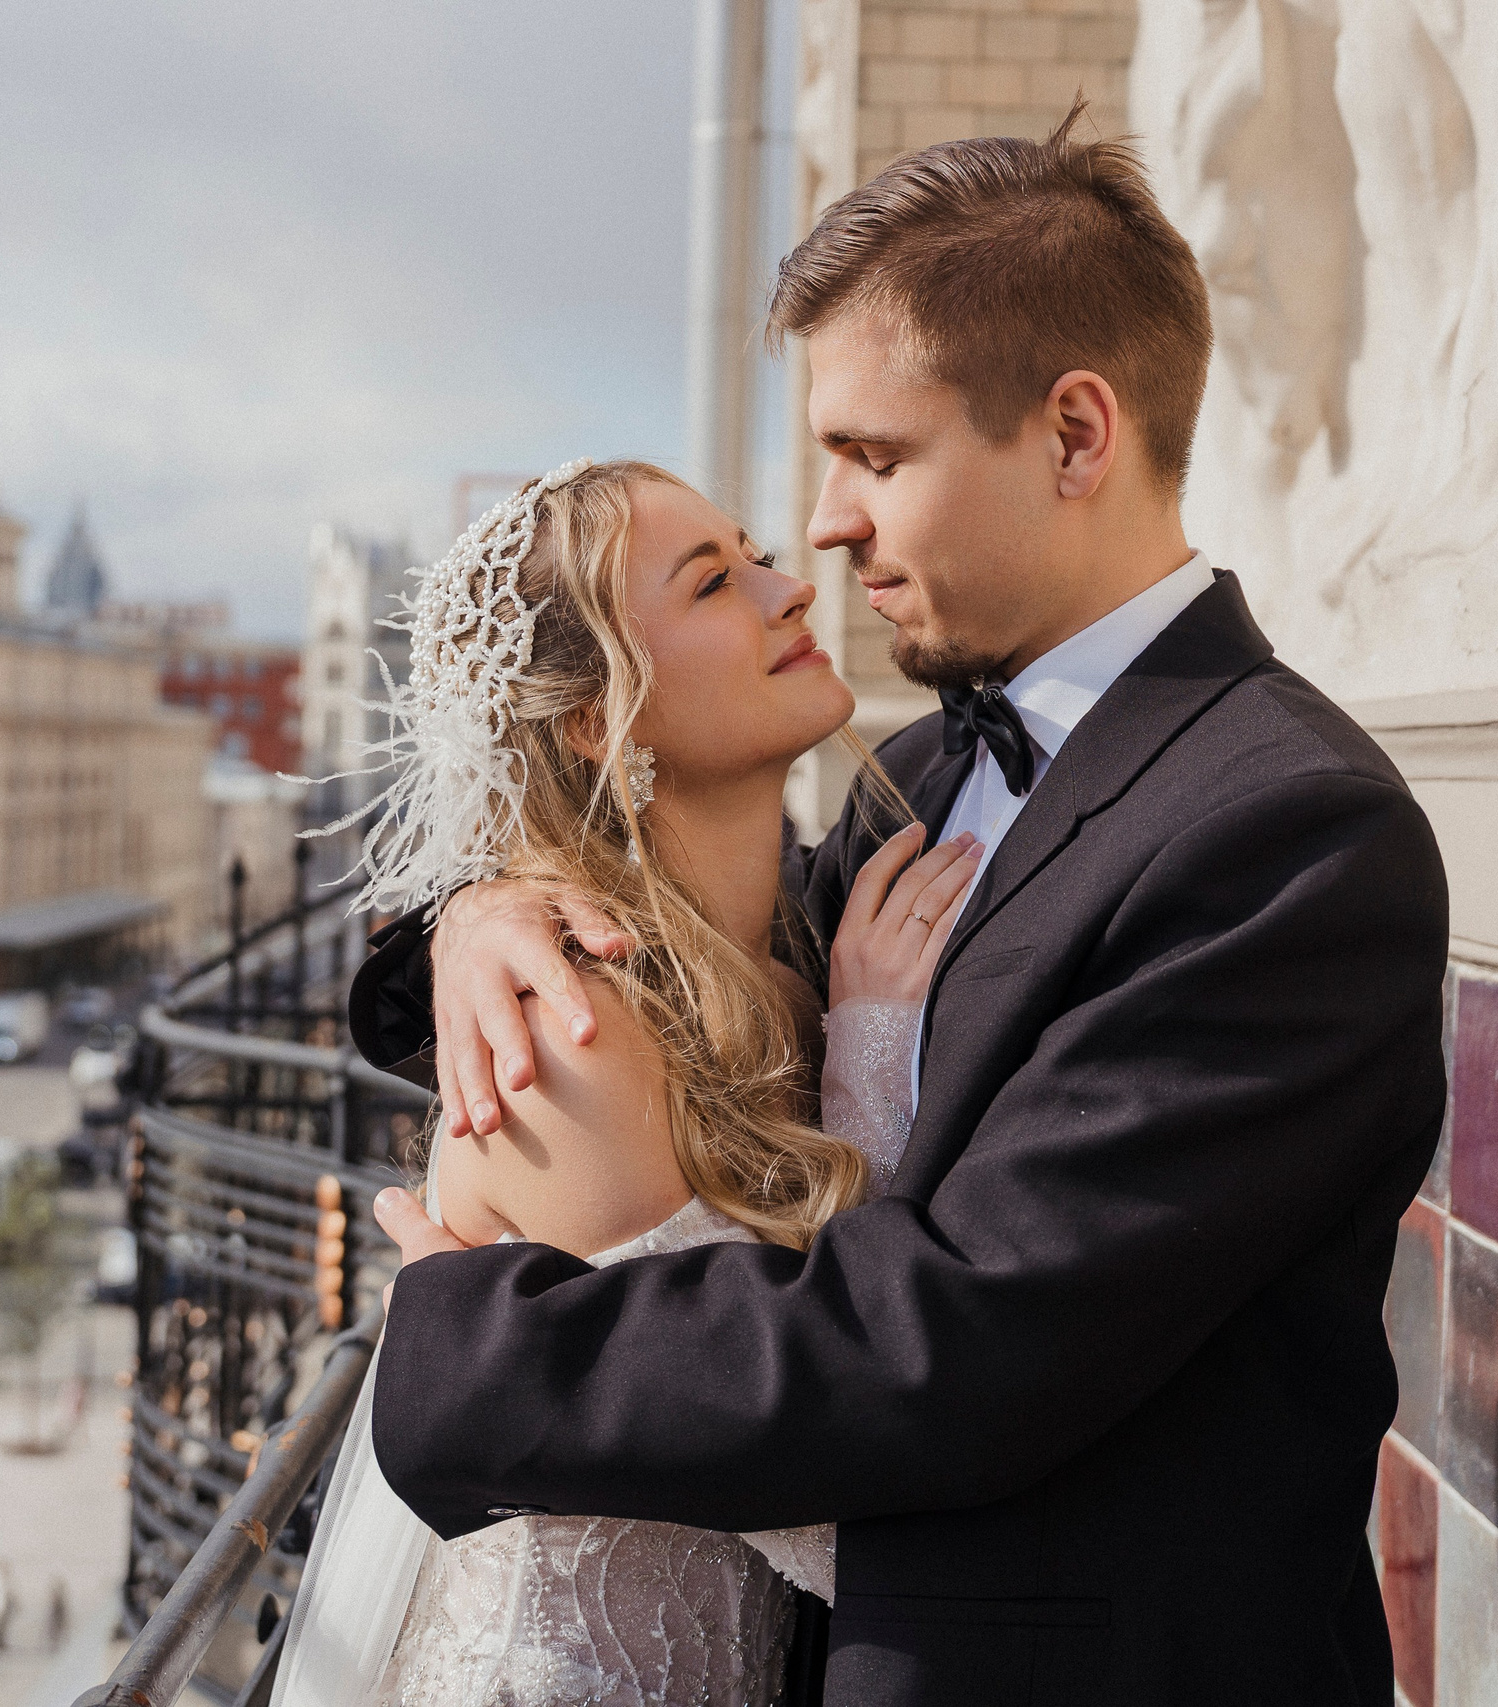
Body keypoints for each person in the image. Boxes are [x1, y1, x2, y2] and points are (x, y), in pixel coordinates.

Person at [350, 109, 1448, 1706]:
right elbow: (695, 951)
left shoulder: (1288, 831)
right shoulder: (915, 777)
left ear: (1076, 435)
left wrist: (476, 1350)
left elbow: (963, 1335)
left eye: (875, 455)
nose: (826, 526)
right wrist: (475, 913)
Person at [273, 458, 963, 1706]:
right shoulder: (567, 1028)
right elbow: (799, 1474)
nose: (791, 590)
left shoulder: (794, 965)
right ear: (599, 720)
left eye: (753, 554)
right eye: (714, 583)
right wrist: (872, 1063)